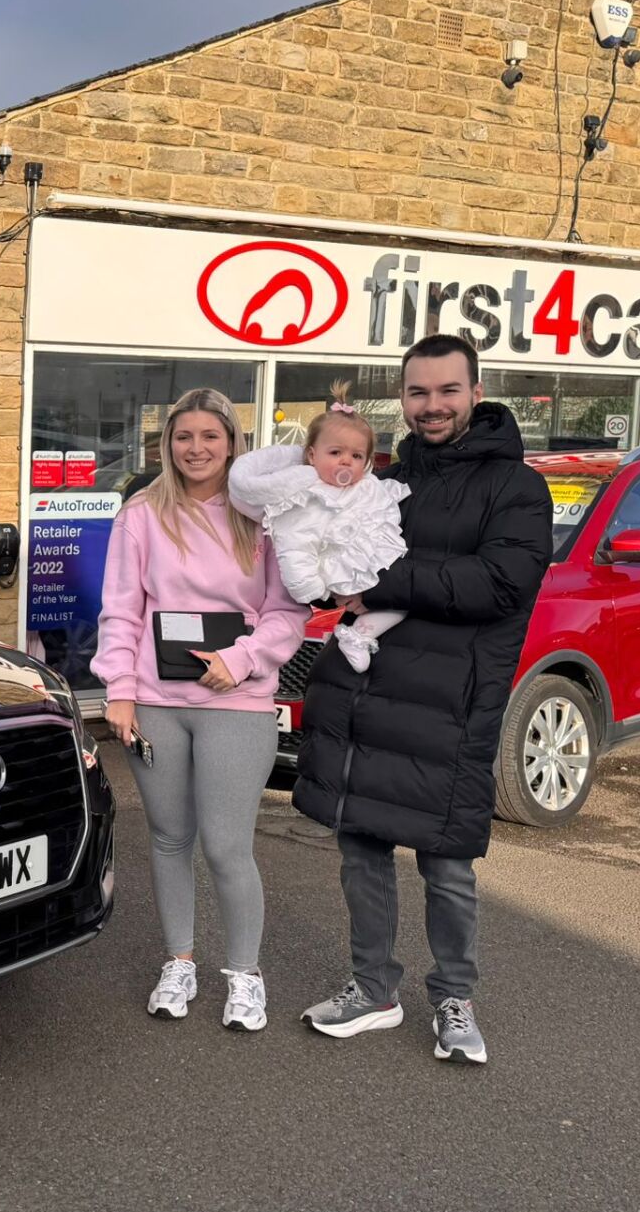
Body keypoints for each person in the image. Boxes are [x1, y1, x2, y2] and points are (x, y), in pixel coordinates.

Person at [291, 335, 551, 1065]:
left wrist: (381, 578)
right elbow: (331, 554)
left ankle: (455, 999)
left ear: (475, 393)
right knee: (362, 847)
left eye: (446, 391)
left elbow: (498, 585)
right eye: (417, 393)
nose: (431, 406)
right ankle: (371, 989)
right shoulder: (385, 478)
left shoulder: (516, 488)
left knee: (446, 864)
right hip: (368, 691)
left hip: (450, 701)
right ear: (401, 399)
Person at [93, 388, 309, 1031]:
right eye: (183, 437)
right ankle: (179, 961)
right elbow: (122, 610)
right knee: (167, 838)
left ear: (231, 443)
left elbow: (287, 612)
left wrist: (240, 660)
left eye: (209, 437)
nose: (196, 449)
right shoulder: (141, 515)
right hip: (159, 703)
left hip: (235, 702)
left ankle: (245, 975)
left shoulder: (265, 517)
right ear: (168, 444)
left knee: (225, 845)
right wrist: (120, 691)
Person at [226, 381, 411, 671]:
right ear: (312, 456)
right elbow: (294, 544)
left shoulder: (366, 487)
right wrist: (310, 589)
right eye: (335, 453)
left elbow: (380, 517)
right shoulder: (304, 498)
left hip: (368, 567)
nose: (346, 462)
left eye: (356, 456)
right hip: (332, 572)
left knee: (401, 604)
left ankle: (361, 634)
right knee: (388, 602)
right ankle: (358, 633)